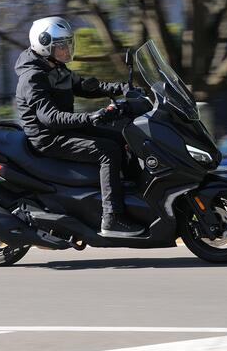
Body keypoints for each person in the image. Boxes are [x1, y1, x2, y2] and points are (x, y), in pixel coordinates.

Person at [14, 16, 144, 237]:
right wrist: (90, 117)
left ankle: (136, 198)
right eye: (61, 45)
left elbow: (83, 86)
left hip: (63, 129)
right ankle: (111, 218)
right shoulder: (33, 77)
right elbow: (50, 118)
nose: (67, 49)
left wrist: (121, 88)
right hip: (48, 137)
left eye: (68, 43)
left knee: (122, 136)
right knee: (108, 151)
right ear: (44, 46)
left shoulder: (55, 66)